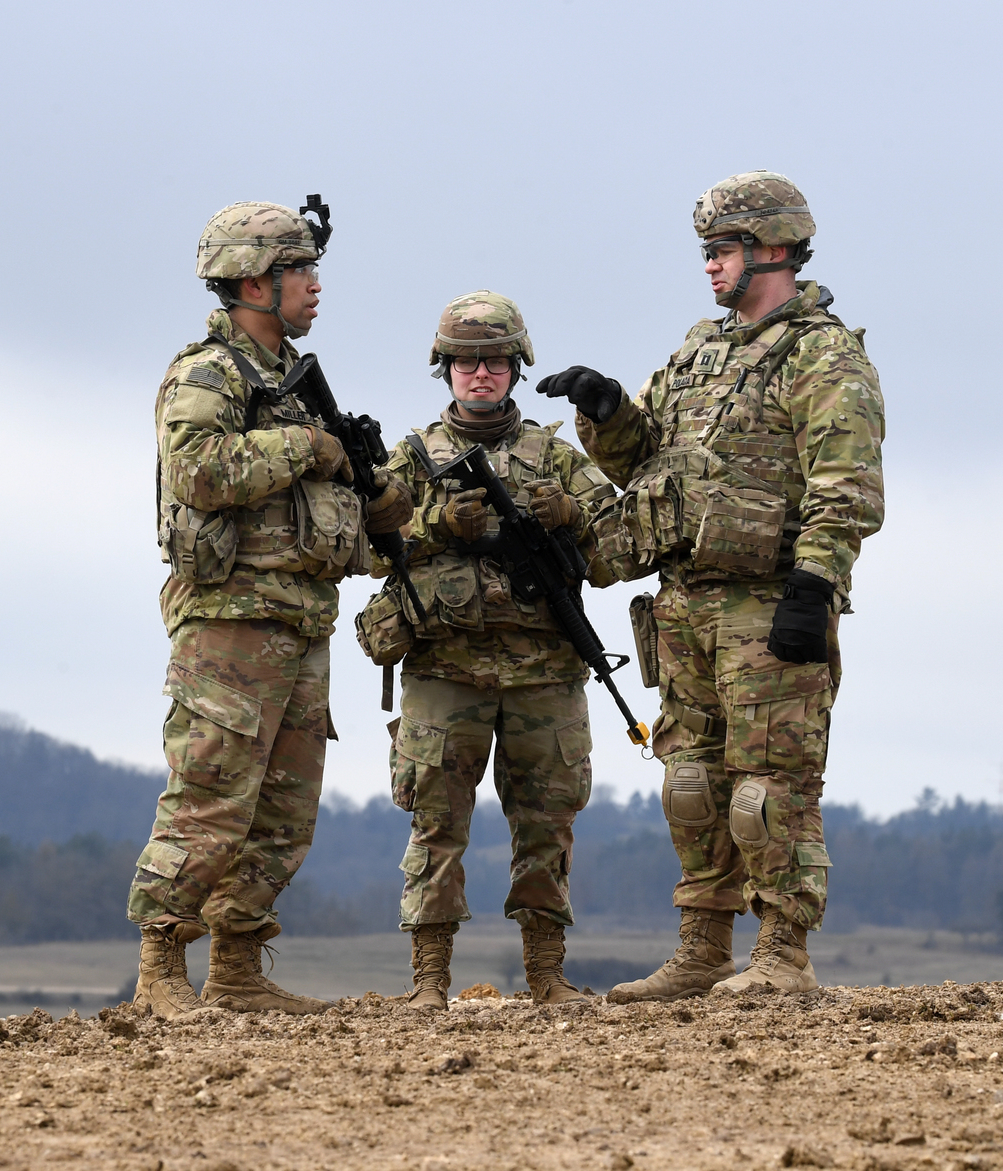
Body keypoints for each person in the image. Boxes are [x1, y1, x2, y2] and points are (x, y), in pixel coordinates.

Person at [536, 171, 885, 998]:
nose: (710, 267)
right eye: (706, 252)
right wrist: (608, 409)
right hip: (685, 600)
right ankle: (702, 948)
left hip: (770, 602)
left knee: (770, 788)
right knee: (691, 781)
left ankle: (783, 954)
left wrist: (815, 585)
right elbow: (641, 458)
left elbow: (847, 486)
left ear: (770, 248)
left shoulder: (822, 353)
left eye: (720, 250)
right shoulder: (701, 348)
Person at [127, 199, 414, 1018]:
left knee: (284, 812)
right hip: (228, 625)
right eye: (302, 271)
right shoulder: (207, 375)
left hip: (300, 622)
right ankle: (159, 971)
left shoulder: (290, 385)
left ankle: (239, 970)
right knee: (209, 795)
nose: (315, 287)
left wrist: (376, 493)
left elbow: (335, 500)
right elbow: (198, 470)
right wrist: (308, 448)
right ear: (256, 280)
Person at [353, 291, 617, 1011]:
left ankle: (547, 975)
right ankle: (429, 982)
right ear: (445, 369)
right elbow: (363, 543)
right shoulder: (410, 459)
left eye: (493, 361)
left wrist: (574, 515)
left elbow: (622, 545)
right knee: (436, 822)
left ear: (516, 368)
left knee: (547, 823)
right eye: (465, 361)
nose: (479, 374)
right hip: (447, 671)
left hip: (544, 675)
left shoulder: (557, 457)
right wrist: (435, 524)